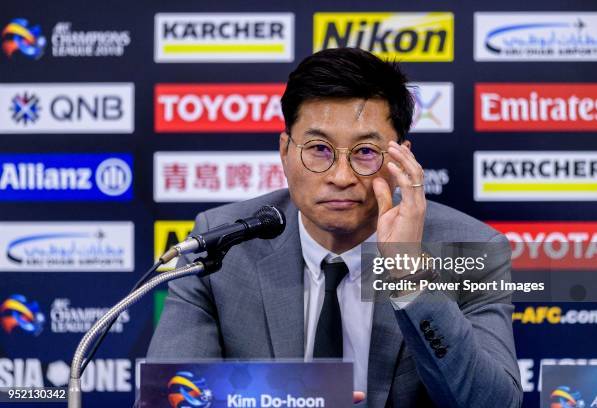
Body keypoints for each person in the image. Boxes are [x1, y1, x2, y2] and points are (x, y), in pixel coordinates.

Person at [147, 47, 522, 407]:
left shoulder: (472, 249)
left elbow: (494, 402)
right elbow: (169, 398)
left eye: (365, 152)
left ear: (401, 159)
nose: (341, 177)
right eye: (318, 149)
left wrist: (409, 274)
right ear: (285, 150)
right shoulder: (223, 243)